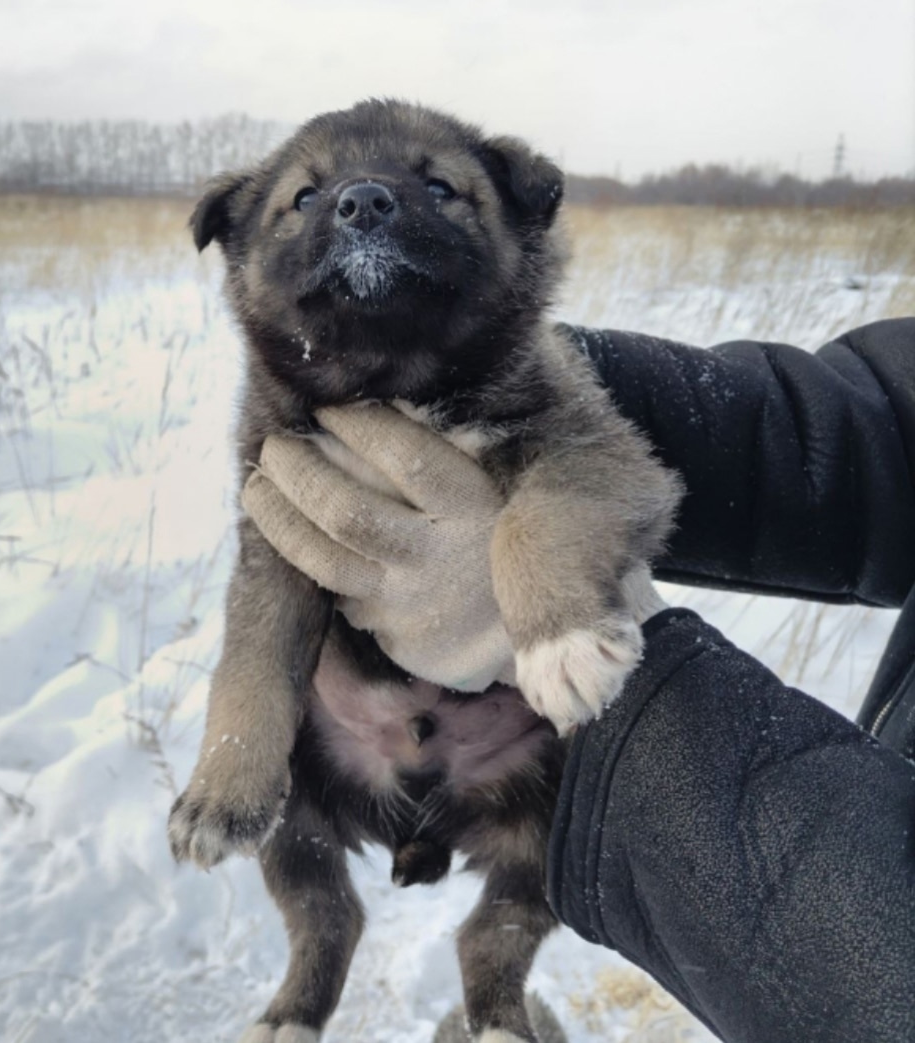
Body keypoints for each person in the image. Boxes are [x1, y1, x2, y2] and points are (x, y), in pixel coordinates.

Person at [240, 317, 915, 1043]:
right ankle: (318, 970)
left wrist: (627, 698)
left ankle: (495, 993)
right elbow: (879, 422)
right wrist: (525, 381)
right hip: (369, 727)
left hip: (525, 748)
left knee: (529, 854)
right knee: (279, 779)